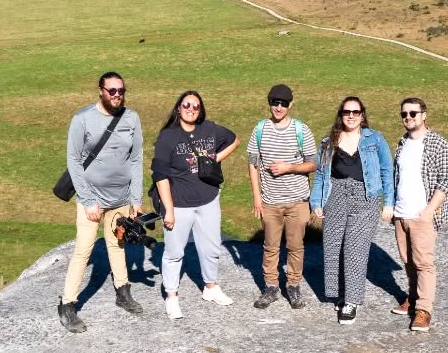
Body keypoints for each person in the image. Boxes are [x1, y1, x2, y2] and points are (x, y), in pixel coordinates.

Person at [58, 71, 145, 333]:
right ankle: (68, 305)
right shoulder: (82, 118)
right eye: (112, 91)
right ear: (100, 91)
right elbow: (73, 160)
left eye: (121, 91)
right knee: (83, 250)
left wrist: (136, 198)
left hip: (121, 199)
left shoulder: (131, 118)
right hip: (92, 200)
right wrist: (87, 200)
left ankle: (123, 291)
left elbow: (136, 158)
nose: (117, 95)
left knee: (118, 245)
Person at [152, 90, 239, 320]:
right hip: (179, 204)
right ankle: (171, 296)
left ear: (201, 110)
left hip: (208, 199)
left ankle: (210, 287)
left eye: (196, 106)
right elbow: (160, 175)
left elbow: (234, 140)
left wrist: (214, 160)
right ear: (178, 108)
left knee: (210, 247)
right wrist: (168, 210)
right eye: (186, 105)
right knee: (173, 252)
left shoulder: (209, 129)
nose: (191, 109)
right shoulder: (167, 137)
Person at [310, 96, 394, 323]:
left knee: (355, 249)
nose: (351, 115)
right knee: (333, 248)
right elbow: (320, 174)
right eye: (347, 111)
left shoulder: (375, 139)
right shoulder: (329, 142)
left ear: (362, 115)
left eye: (356, 112)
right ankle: (340, 294)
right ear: (340, 114)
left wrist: (389, 203)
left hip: (365, 199)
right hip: (335, 197)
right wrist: (316, 202)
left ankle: (352, 302)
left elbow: (387, 170)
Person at [247, 83, 318, 309]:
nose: (278, 107)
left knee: (296, 246)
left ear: (291, 104)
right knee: (270, 246)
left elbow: (313, 164)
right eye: (274, 102)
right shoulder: (259, 130)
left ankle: (293, 286)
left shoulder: (301, 130)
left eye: (283, 103)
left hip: (297, 201)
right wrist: (257, 197)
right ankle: (271, 287)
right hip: (270, 202)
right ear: (269, 102)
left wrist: (289, 167)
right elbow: (252, 164)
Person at [390, 96, 448, 332]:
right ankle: (412, 298)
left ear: (424, 115)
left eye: (413, 113)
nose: (408, 118)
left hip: (423, 216)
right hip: (401, 214)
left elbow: (447, 180)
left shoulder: (439, 143)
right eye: (404, 114)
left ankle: (424, 310)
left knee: (424, 263)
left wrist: (428, 212)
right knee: (408, 261)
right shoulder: (402, 142)